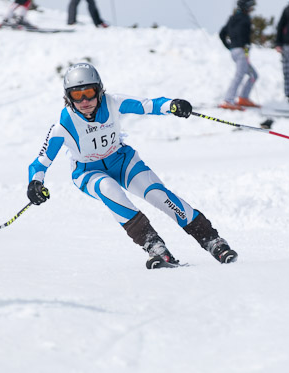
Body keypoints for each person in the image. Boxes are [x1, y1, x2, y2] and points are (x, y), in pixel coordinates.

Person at [27, 63, 238, 269]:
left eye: (89, 93)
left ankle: (212, 241)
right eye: (76, 95)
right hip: (88, 172)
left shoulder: (112, 102)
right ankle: (154, 246)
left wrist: (172, 104)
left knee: (157, 194)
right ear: (67, 97)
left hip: (122, 160)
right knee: (108, 189)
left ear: (99, 91)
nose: (84, 101)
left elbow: (148, 104)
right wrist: (35, 184)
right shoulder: (63, 125)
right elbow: (40, 163)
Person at [218, 0, 259, 111]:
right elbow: (243, 35)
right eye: (250, 6)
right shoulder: (245, 19)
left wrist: (230, 46)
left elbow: (222, 33)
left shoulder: (233, 18)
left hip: (235, 51)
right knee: (240, 75)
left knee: (253, 75)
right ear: (245, 7)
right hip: (241, 51)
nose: (252, 8)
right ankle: (228, 100)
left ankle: (243, 98)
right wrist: (244, 46)